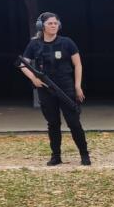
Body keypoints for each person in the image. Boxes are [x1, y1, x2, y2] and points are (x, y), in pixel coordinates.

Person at [20, 12, 91, 166]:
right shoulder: (34, 44)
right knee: (53, 123)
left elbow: (78, 64)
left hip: (66, 87)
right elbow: (22, 64)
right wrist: (34, 78)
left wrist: (77, 85)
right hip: (46, 89)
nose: (53, 26)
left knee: (74, 123)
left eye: (55, 23)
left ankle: (84, 154)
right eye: (50, 23)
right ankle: (56, 156)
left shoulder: (67, 42)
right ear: (41, 26)